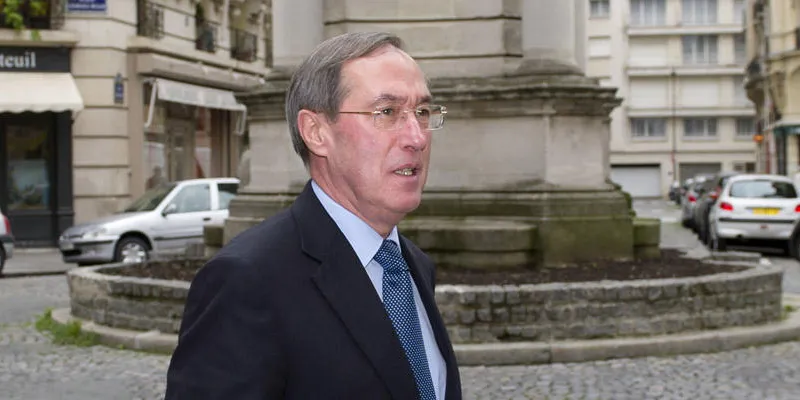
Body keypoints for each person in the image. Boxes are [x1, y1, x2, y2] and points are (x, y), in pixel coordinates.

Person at [164, 32, 462, 399]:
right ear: (316, 132)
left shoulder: (413, 265)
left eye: (422, 112)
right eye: (387, 112)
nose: (417, 137)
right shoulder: (247, 280)